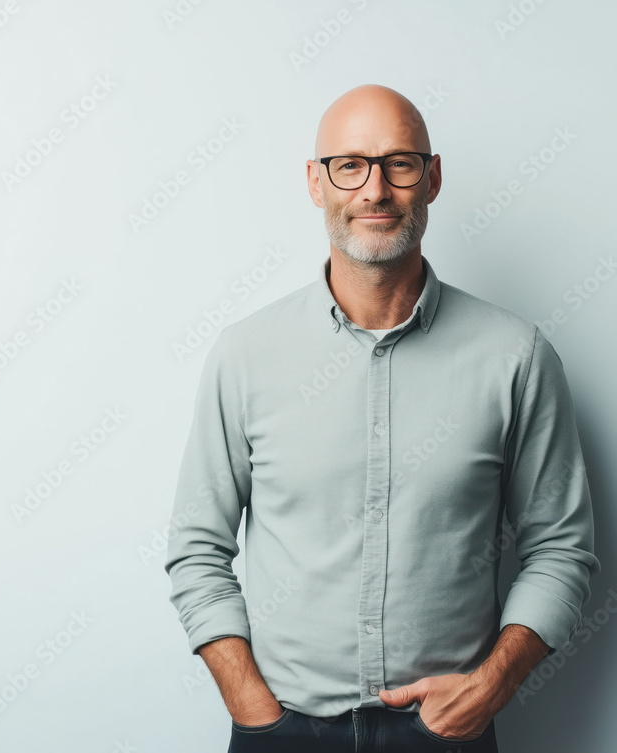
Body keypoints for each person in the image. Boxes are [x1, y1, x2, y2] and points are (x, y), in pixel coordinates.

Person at [163, 84, 600, 753]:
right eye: (350, 164)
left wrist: (490, 685)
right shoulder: (247, 355)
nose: (375, 189)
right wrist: (253, 707)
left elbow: (562, 548)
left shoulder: (516, 356)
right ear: (316, 182)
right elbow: (197, 546)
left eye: (400, 163)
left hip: (447, 733)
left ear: (433, 178)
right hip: (284, 730)